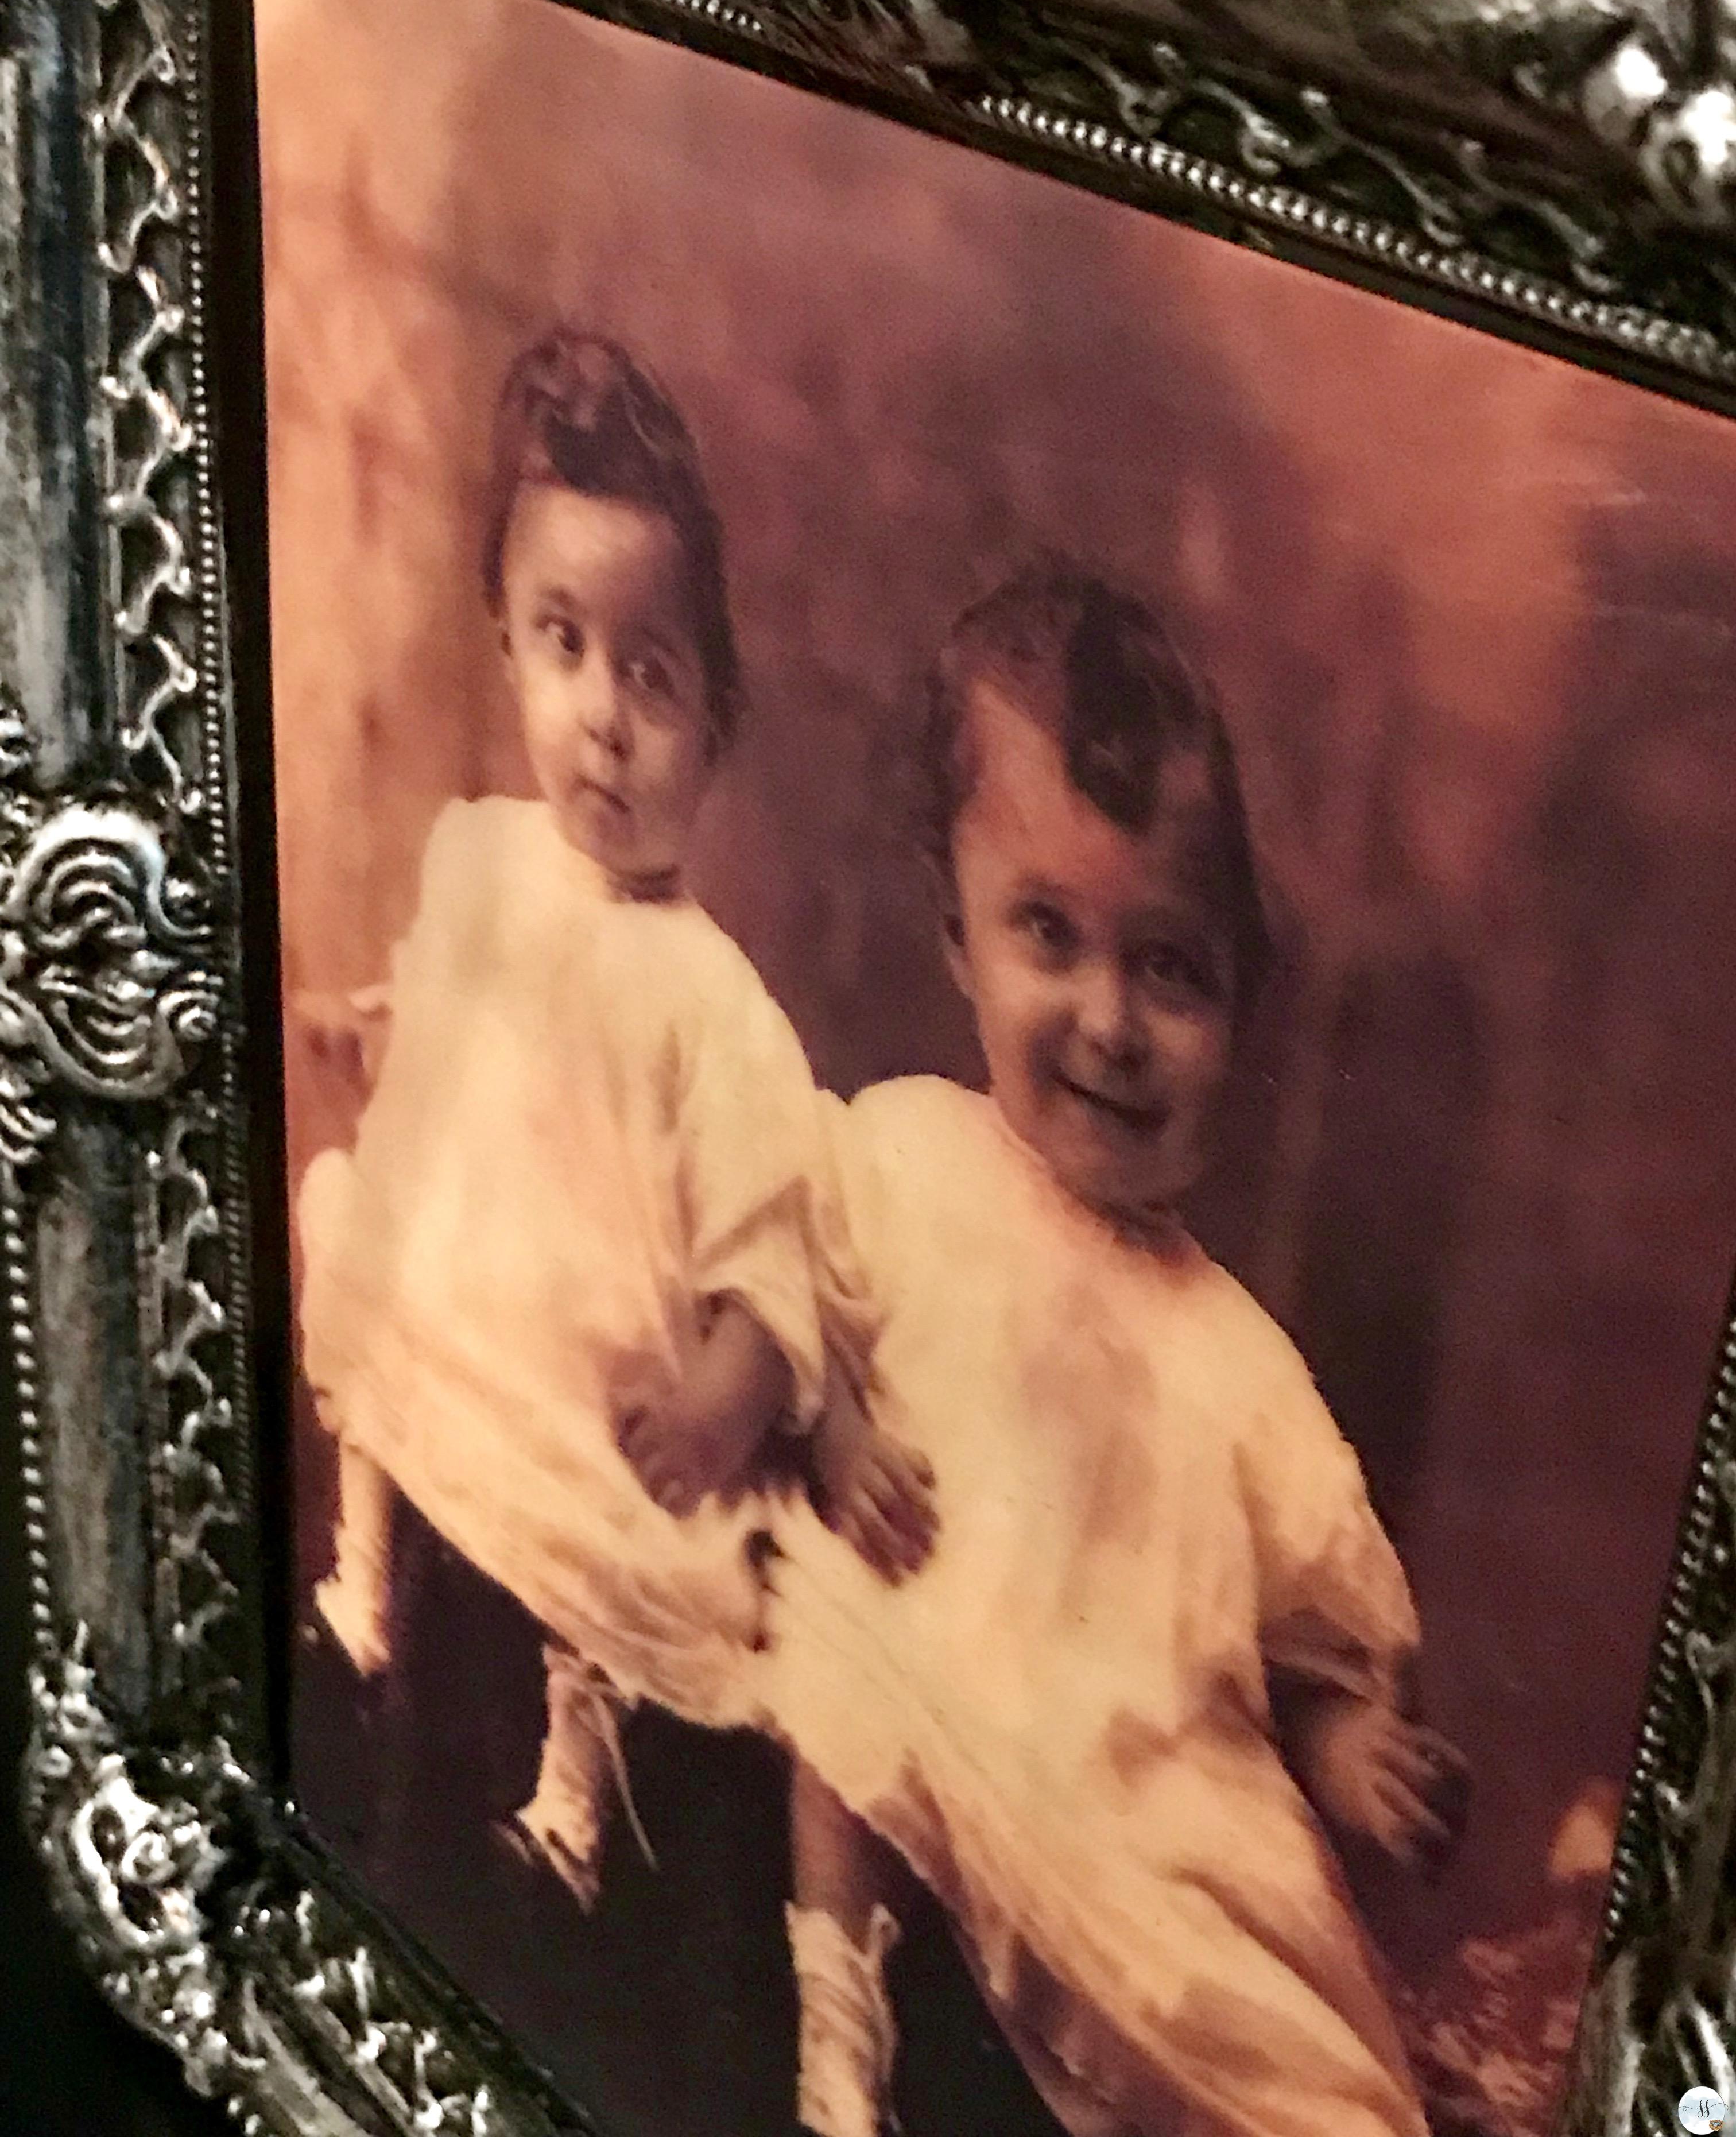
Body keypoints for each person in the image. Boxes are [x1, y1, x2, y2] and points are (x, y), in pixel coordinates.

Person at [766, 566, 1470, 2137]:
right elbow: (778, 1310)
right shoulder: (905, 1157)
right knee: (834, 1663)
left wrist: (1348, 1747)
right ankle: (840, 2013)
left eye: (1171, 967)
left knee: (1298, 2084)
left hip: (1143, 1825)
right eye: (1049, 935)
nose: (1109, 1020)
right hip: (935, 1706)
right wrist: (835, 1437)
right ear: (957, 936)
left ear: (1241, 1003)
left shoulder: (1240, 1368)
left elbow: (1308, 1642)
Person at [297, 327, 933, 1905]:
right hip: (471, 1290)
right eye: (563, 645)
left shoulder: (712, 1001)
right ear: (507, 645)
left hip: (595, 1367)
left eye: (650, 676)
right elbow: (453, 1023)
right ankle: (359, 1588)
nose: (601, 717)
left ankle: (574, 1797)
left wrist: (724, 1400)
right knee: (350, 1238)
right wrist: (374, 1031)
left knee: (612, 1546)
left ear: (715, 722)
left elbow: (766, 1253)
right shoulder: (484, 859)